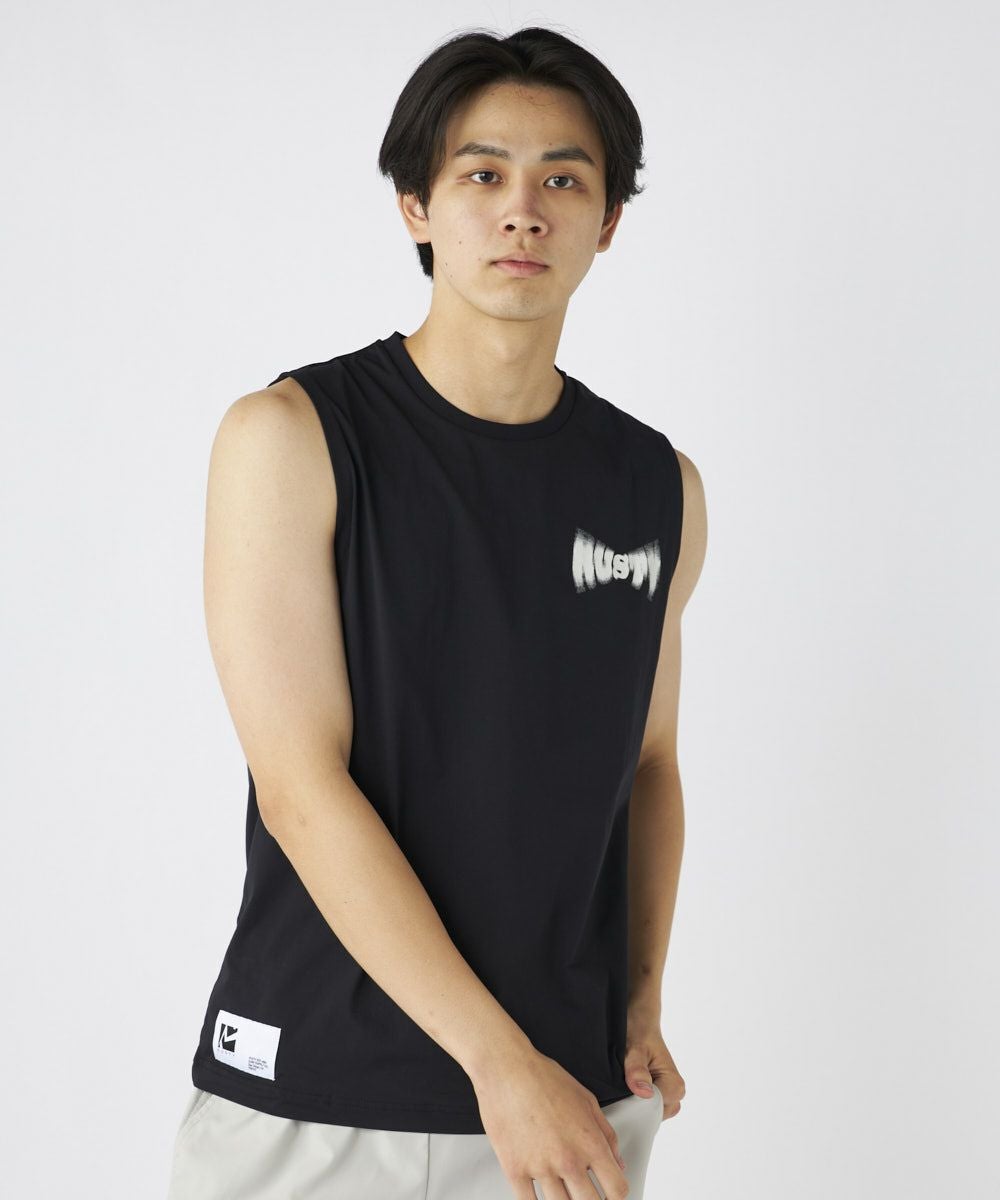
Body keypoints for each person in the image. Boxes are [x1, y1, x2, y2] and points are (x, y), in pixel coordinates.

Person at [167, 24, 707, 1200]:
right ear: (415, 204)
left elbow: (651, 762)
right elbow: (299, 788)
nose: (522, 212)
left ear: (608, 221)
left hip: (564, 1107)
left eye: (562, 180)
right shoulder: (289, 441)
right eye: (482, 175)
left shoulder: (656, 485)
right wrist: (495, 1062)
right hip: (316, 1097)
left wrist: (639, 1000)